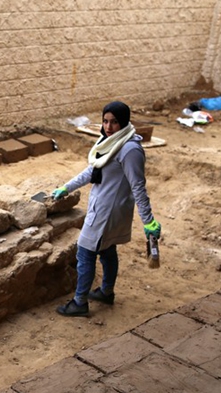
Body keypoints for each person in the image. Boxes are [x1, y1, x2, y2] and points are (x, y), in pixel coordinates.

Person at [51, 101, 161, 317]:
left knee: (85, 253)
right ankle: (106, 292)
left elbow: (138, 186)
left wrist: (148, 221)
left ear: (125, 122)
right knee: (107, 250)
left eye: (114, 122)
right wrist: (66, 187)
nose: (108, 126)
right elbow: (92, 171)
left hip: (108, 211)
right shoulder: (109, 142)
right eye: (105, 121)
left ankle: (80, 302)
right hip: (104, 207)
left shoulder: (129, 149)